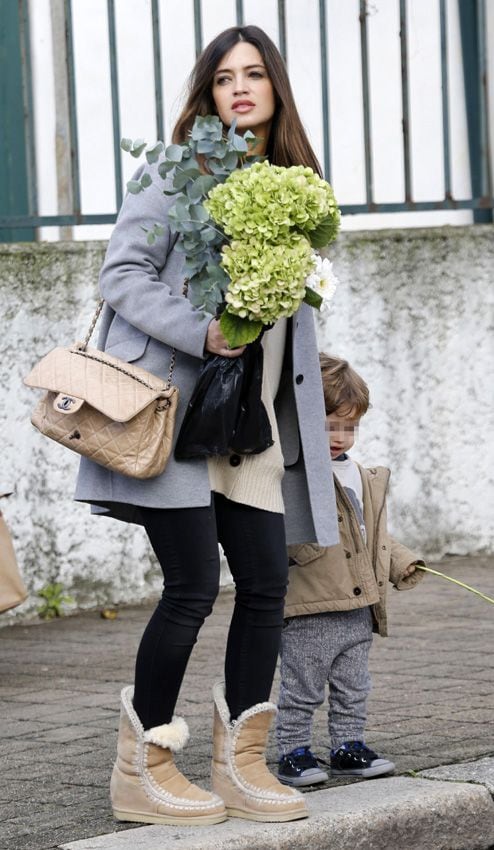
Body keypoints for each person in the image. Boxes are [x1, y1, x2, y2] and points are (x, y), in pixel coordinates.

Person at [75, 26, 339, 826]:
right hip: (182, 409)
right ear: (208, 94)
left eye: (255, 74)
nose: (241, 89)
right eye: (225, 78)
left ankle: (242, 764)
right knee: (191, 588)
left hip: (252, 421)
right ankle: (143, 770)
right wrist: (206, 331)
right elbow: (120, 274)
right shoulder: (173, 172)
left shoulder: (296, 182)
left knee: (264, 585)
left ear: (275, 89)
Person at [276, 354, 425, 787]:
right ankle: (293, 752)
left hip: (360, 605)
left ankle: (347, 745)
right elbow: (282, 532)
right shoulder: (293, 476)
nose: (340, 438)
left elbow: (370, 533)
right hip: (311, 605)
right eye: (329, 427)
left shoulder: (362, 475)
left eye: (349, 427)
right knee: (302, 687)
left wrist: (400, 562)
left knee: (353, 684)